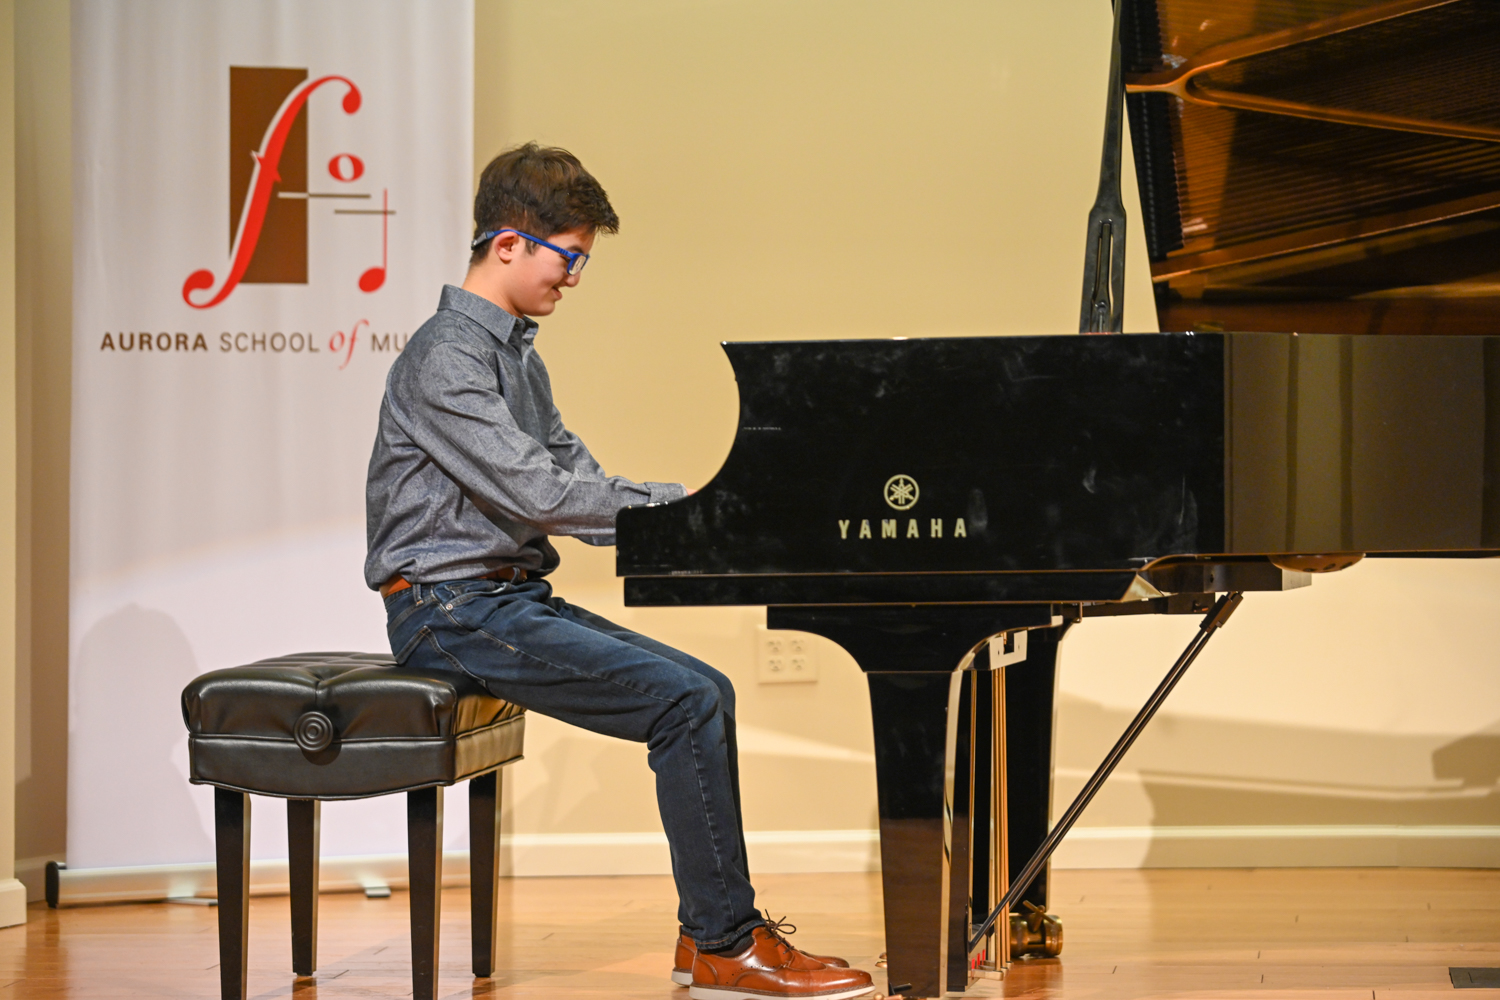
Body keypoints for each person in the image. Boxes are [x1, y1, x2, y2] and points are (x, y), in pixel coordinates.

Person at [365, 143, 875, 1000]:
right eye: (567, 258)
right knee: (685, 701)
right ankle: (725, 943)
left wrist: (697, 515)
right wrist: (681, 506)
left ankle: (709, 932)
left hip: (500, 600)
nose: (573, 279)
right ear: (508, 244)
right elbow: (540, 493)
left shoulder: (518, 357)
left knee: (707, 687)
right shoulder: (446, 357)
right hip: (447, 611)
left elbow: (575, 474)